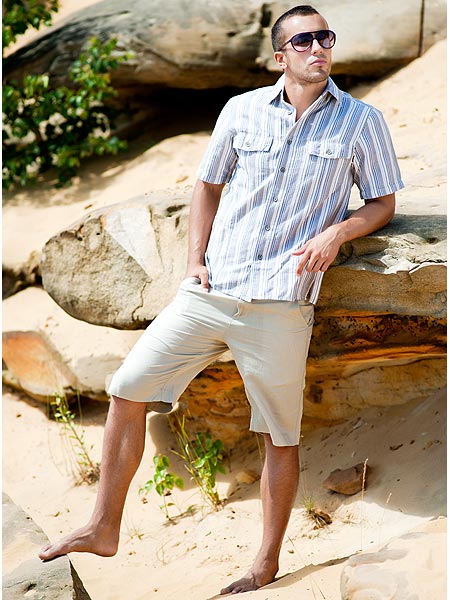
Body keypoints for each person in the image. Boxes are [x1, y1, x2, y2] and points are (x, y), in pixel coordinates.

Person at [39, 4, 404, 595]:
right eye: (304, 41)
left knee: (279, 434)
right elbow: (206, 187)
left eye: (325, 37)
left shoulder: (362, 122)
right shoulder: (241, 110)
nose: (319, 48)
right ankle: (103, 526)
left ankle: (265, 565)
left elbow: (382, 202)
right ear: (280, 56)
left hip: (282, 301)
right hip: (212, 291)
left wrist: (338, 233)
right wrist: (193, 263)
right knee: (127, 388)